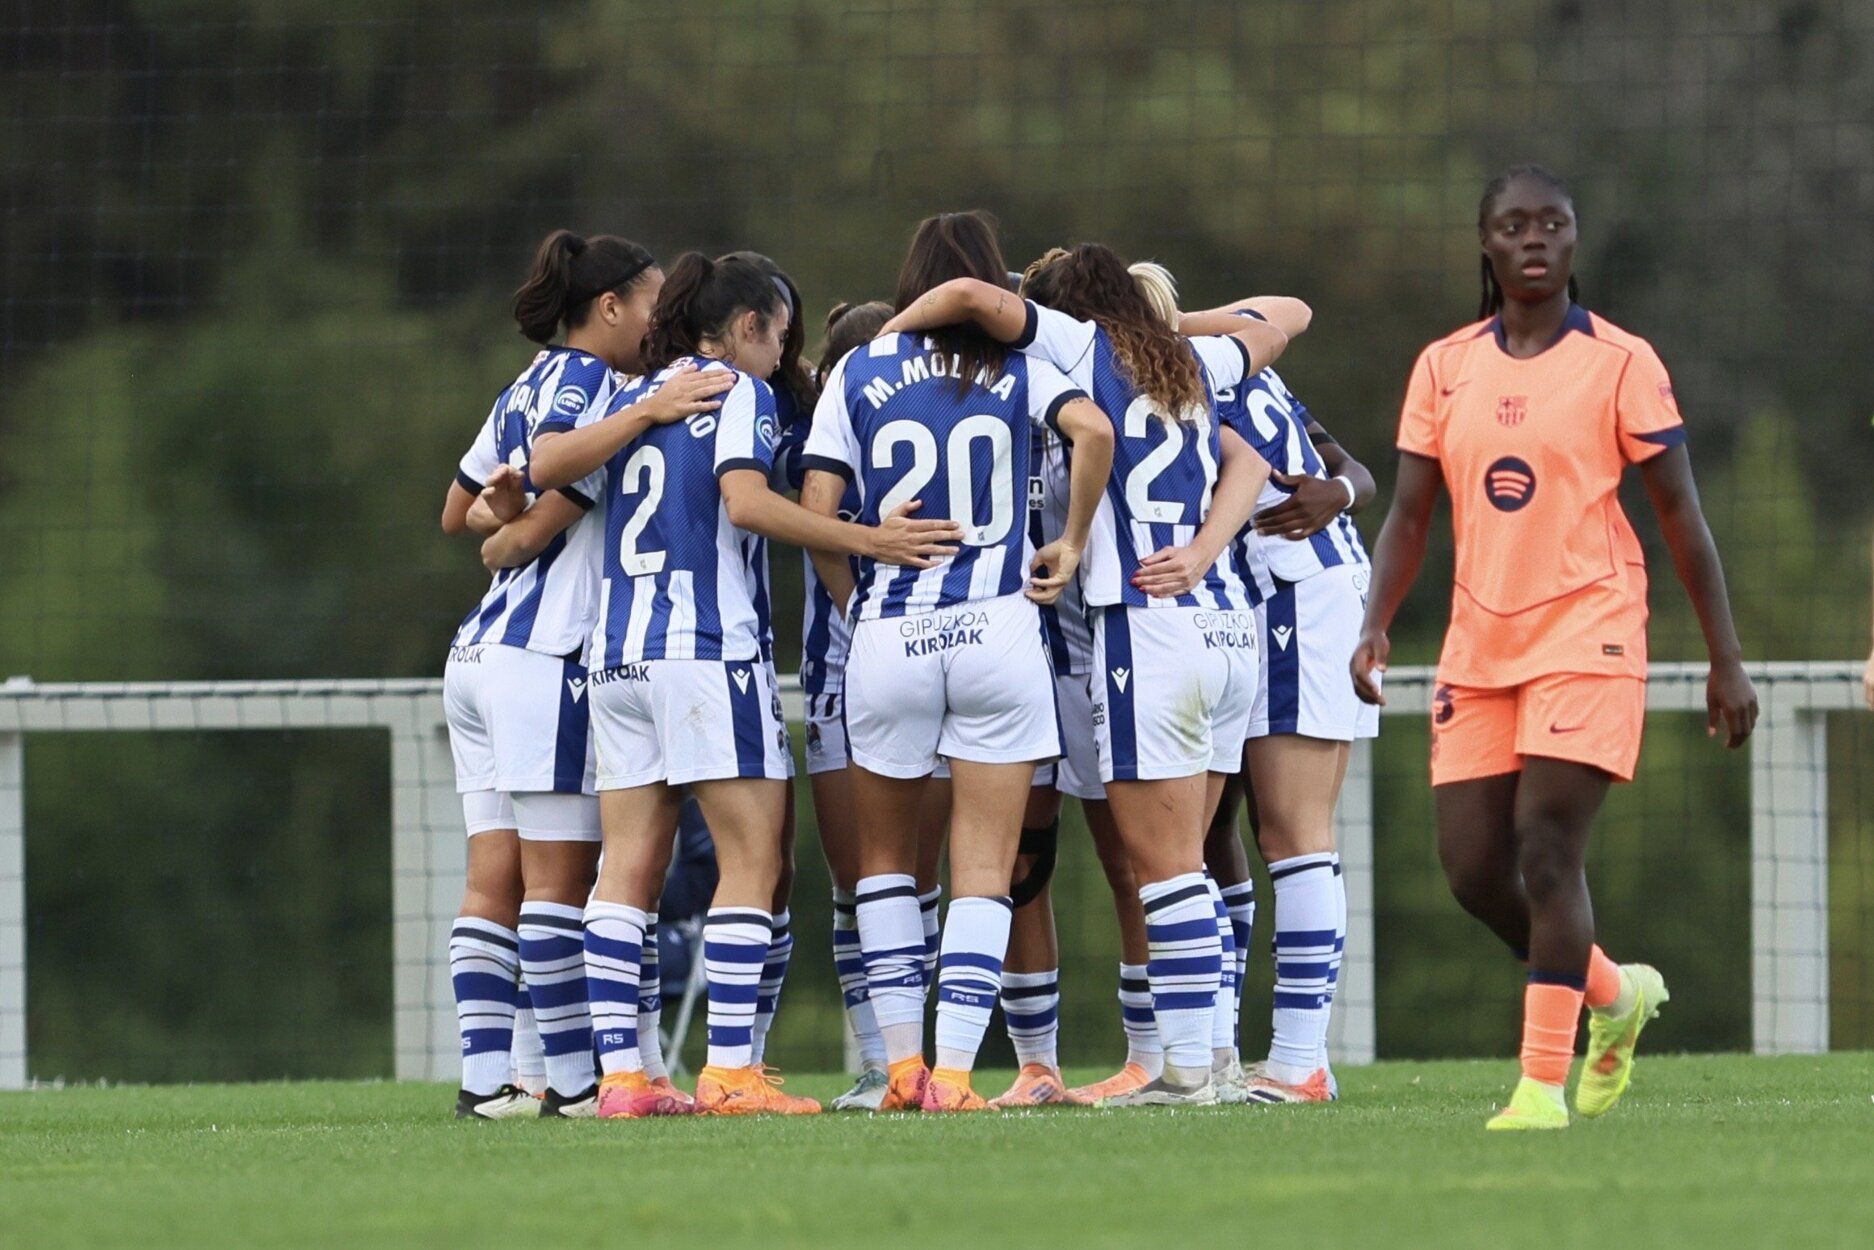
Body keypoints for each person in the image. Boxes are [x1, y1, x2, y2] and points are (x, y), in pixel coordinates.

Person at [1352, 165, 1759, 1130]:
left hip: (1590, 632)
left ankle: (1541, 1088)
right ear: (1485, 243)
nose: (1533, 239)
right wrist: (1373, 621)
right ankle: (1614, 996)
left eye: (1552, 224)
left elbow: (1682, 517)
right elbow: (1409, 516)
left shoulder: (1622, 362)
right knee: (1472, 871)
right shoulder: (1443, 367)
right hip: (1478, 643)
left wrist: (1726, 656)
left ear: (1575, 239)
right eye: (1513, 225)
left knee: (1545, 848)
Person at [529, 252, 961, 1117]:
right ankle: (729, 1072)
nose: (782, 355)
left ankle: (624, 1080)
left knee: (627, 869)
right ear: (748, 327)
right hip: (704, 653)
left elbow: (549, 467)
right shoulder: (738, 391)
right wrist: (869, 539)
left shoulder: (630, 394)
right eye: (780, 335)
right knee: (755, 860)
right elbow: (747, 503)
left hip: (618, 657)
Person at [882, 241, 1306, 1105]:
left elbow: (971, 293)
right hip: (1224, 624)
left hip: (1144, 628)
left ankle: (1186, 1071)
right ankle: (1213, 1058)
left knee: (1165, 867)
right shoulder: (1191, 360)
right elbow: (1287, 319)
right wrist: (1203, 548)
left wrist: (886, 345)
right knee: (1185, 859)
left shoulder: (1075, 348)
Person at [801, 211, 1115, 1112]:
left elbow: (817, 510)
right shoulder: (1021, 366)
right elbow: (1095, 432)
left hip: (891, 635)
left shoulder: (858, 368)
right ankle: (954, 1075)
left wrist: (855, 599)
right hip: (998, 633)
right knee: (985, 865)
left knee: (886, 863)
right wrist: (1071, 542)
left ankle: (901, 1070)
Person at [438, 229, 730, 1120]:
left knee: (493, 880)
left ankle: (489, 1081)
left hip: (477, 656)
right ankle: (572, 1084)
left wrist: (507, 518)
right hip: (547, 655)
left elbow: (459, 511)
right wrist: (644, 414)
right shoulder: (595, 384)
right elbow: (534, 488)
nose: (660, 324)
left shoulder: (521, 382)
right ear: (611, 306)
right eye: (651, 304)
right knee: (566, 884)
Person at [1132, 260, 1382, 1104]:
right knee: (1238, 829)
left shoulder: (1186, 376)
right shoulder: (1236, 366)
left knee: (1295, 833)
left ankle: (1300, 1059)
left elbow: (1342, 464)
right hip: (1283, 597)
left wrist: (1337, 491)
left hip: (1293, 590)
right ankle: (1241, 1054)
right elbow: (1290, 311)